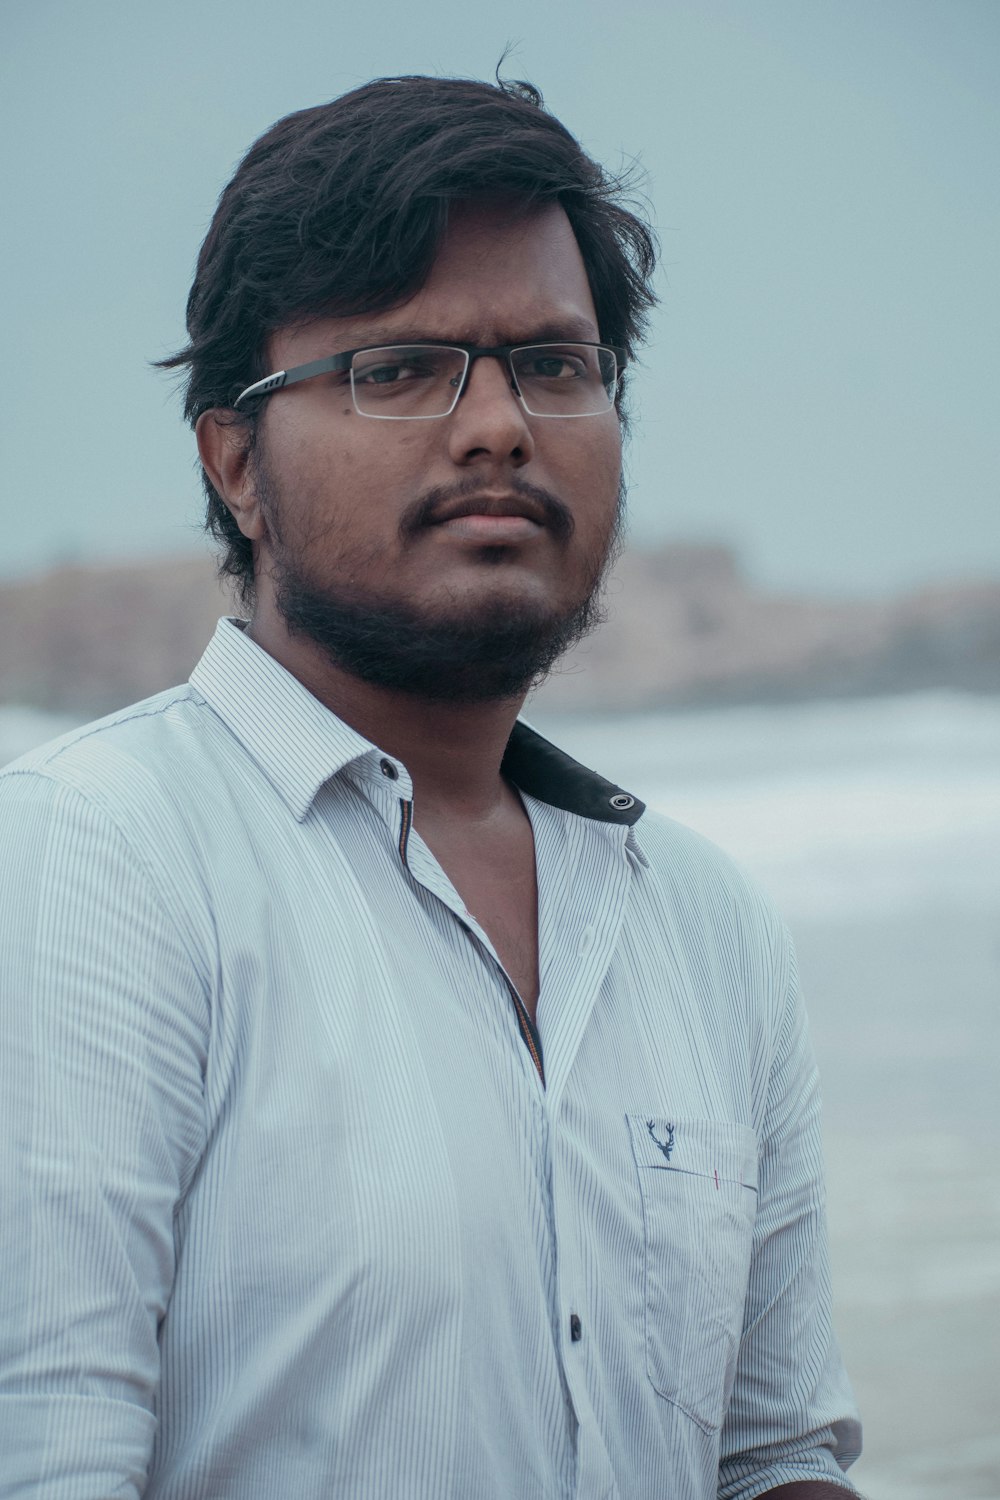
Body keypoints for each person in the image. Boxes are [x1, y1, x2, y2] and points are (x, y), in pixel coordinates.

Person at [0, 75, 862, 1499]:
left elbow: (773, 1457)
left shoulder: (705, 924)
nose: (499, 427)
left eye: (553, 364)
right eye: (398, 370)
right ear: (235, 460)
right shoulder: (91, 861)